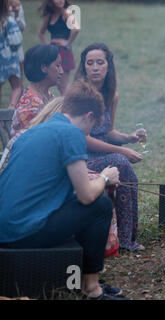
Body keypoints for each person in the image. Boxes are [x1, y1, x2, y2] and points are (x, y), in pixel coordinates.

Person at [0, 80, 128, 300]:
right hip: (24, 232)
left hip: (7, 228)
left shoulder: (35, 131)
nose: (89, 132)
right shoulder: (71, 134)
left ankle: (81, 278)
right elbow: (87, 196)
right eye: (93, 125)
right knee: (101, 205)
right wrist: (106, 178)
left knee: (85, 205)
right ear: (89, 116)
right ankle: (92, 289)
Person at [74, 42, 145, 252]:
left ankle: (127, 236)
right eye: (90, 63)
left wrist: (129, 138)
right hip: (80, 155)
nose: (95, 67)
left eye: (100, 62)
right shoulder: (81, 94)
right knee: (120, 161)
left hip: (102, 151)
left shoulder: (111, 95)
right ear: (84, 67)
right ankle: (122, 239)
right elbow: (82, 137)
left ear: (108, 66)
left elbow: (108, 132)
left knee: (129, 176)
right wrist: (121, 150)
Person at [10, 44, 63, 139]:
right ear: (43, 68)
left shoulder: (48, 96)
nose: (62, 71)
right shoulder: (30, 105)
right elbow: (31, 142)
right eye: (58, 66)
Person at [38, 0, 79, 95]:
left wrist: (67, 43)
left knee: (63, 86)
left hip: (63, 52)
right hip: (53, 52)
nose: (61, 0)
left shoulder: (66, 14)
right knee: (53, 82)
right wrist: (47, 45)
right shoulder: (50, 15)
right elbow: (41, 33)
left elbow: (76, 28)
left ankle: (70, 105)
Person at [0, 0, 22, 110]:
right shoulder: (9, 20)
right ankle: (11, 107)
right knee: (17, 86)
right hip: (9, 57)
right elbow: (17, 40)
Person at [8, 0, 25, 96]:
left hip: (16, 50)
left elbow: (22, 27)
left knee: (18, 86)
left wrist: (16, 15)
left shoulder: (16, 4)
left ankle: (18, 109)